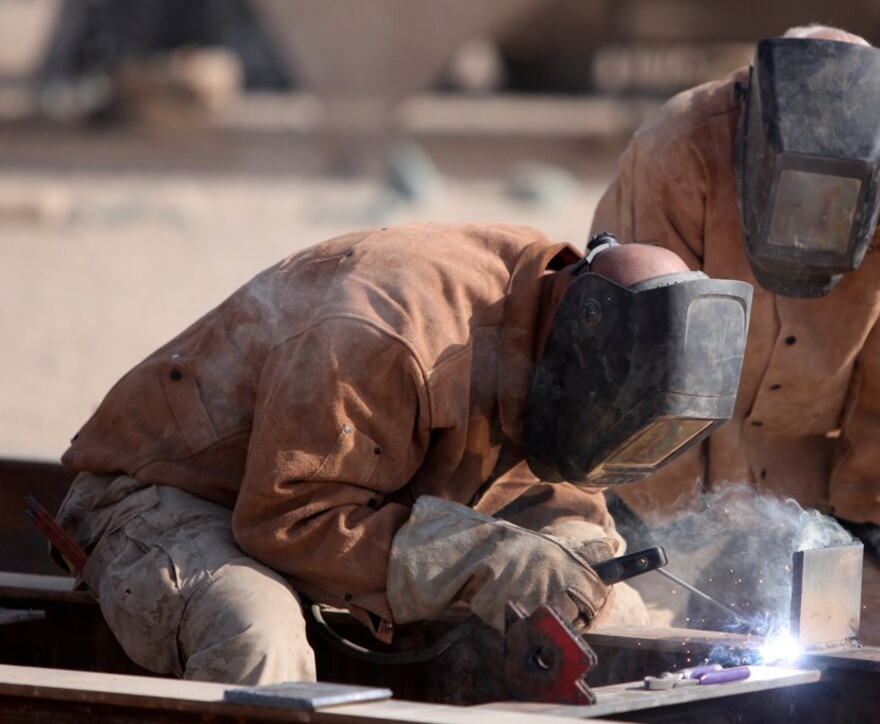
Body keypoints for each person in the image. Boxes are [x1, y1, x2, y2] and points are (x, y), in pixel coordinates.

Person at [53, 222, 752, 684]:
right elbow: (285, 520)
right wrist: (484, 557)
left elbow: (561, 501)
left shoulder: (557, 331)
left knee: (609, 614)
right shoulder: (382, 328)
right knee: (255, 640)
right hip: (173, 500)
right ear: (579, 337)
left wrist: (579, 567)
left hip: (360, 507)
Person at [591, 24, 880, 650]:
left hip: (832, 483)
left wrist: (874, 506)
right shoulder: (679, 150)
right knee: (644, 657)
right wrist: (671, 515)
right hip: (676, 467)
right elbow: (638, 354)